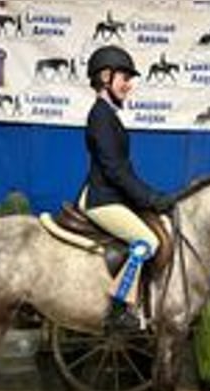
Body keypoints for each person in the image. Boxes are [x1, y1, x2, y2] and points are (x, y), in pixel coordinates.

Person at [78, 45, 174, 333]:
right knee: (148, 241)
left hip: (112, 194)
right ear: (105, 77)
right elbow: (114, 170)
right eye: (125, 78)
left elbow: (124, 170)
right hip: (102, 199)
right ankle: (118, 309)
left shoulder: (109, 115)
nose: (129, 85)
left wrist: (150, 195)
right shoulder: (100, 116)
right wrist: (149, 198)